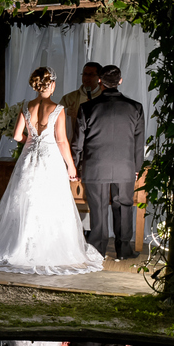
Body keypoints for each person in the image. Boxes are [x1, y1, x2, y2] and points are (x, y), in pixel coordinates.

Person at [0, 67, 105, 275]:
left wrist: (32, 141)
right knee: (50, 200)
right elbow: (61, 140)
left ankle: (19, 245)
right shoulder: (57, 109)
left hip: (28, 157)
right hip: (50, 160)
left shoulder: (26, 106)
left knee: (24, 200)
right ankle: (47, 247)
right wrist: (71, 166)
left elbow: (17, 135)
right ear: (53, 85)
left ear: (36, 85)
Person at [72, 64, 146, 261]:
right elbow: (139, 143)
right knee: (124, 206)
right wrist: (137, 167)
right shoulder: (135, 107)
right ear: (120, 81)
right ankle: (123, 249)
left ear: (99, 81)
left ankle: (97, 249)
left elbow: (77, 142)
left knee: (98, 207)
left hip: (95, 166)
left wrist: (75, 165)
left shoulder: (86, 108)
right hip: (125, 166)